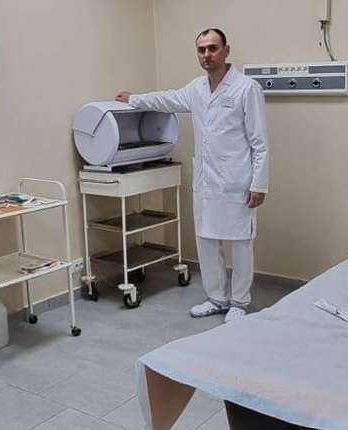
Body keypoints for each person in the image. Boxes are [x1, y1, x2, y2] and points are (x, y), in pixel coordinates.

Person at [116, 28, 268, 323]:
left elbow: (259, 142)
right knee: (207, 241)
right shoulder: (196, 88)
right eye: (201, 49)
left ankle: (239, 302)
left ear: (226, 51)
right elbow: (167, 99)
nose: (207, 55)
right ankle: (216, 298)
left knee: (240, 243)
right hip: (206, 181)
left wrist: (259, 184)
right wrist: (134, 98)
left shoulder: (246, 88)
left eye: (213, 48)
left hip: (238, 180)